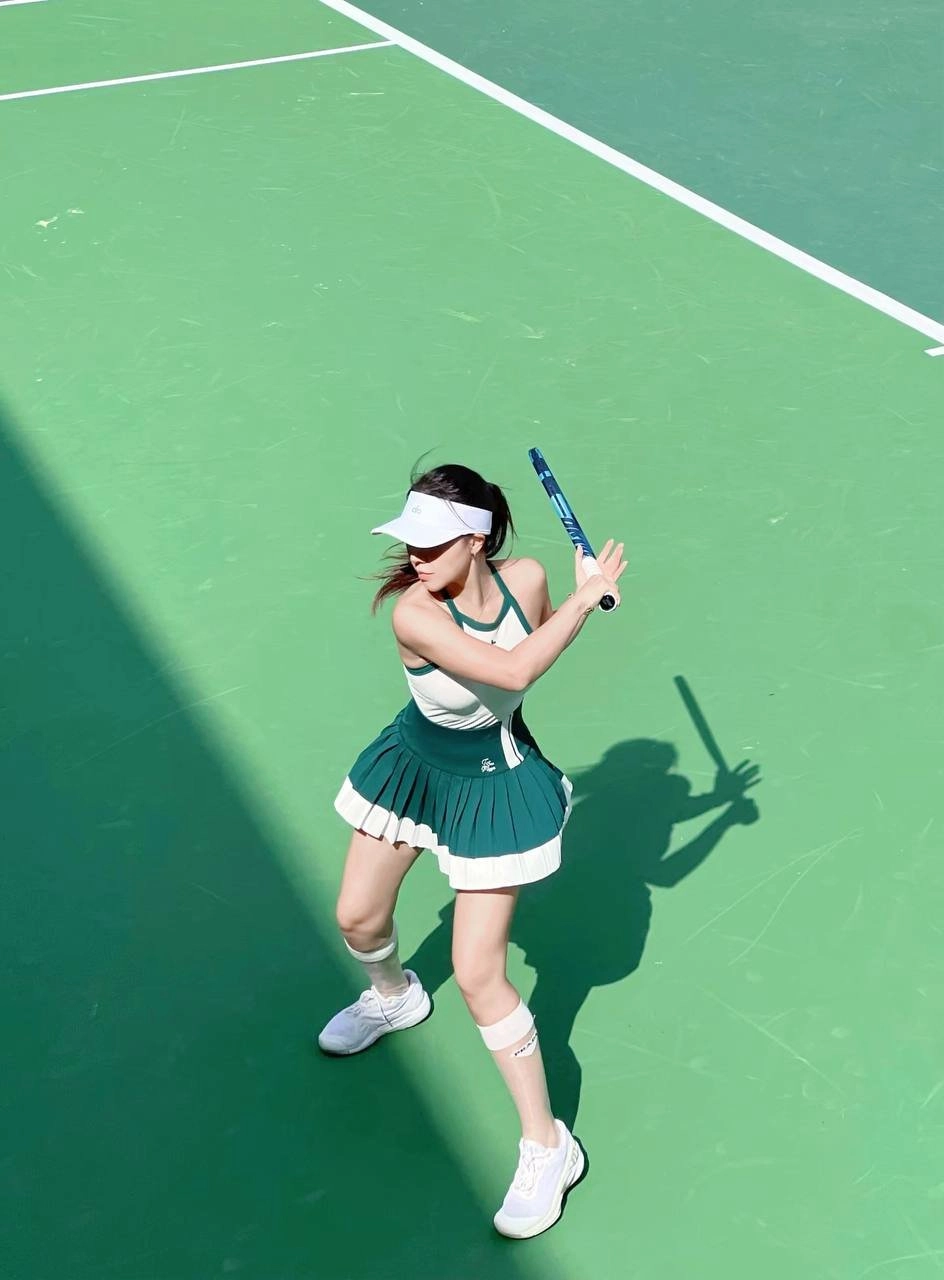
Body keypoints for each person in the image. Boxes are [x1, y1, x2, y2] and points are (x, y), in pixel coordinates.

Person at [318, 462, 626, 1239]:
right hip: (416, 767)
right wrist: (588, 601)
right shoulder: (413, 614)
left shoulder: (527, 577)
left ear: (478, 540)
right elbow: (518, 665)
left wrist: (578, 597)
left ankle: (549, 1146)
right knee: (356, 918)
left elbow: (528, 665)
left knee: (483, 972)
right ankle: (394, 995)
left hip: (493, 785)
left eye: (431, 544)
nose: (414, 557)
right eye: (410, 542)